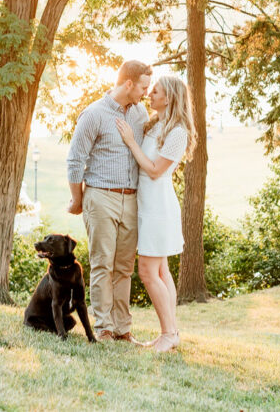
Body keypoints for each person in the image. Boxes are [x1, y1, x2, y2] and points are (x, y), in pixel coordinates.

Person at [66, 60, 151, 344]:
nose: (146, 93)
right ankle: (103, 328)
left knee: (124, 267)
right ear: (128, 84)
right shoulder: (94, 114)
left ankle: (122, 328)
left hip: (132, 198)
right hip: (101, 196)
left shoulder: (140, 113)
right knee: (103, 263)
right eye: (143, 87)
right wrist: (78, 199)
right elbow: (75, 160)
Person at [115, 76, 193, 353]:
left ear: (169, 98)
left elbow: (155, 170)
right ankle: (172, 332)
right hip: (146, 205)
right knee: (161, 270)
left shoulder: (177, 132)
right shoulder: (155, 124)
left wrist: (129, 141)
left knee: (148, 271)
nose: (150, 94)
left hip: (158, 209)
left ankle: (168, 333)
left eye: (155, 91)